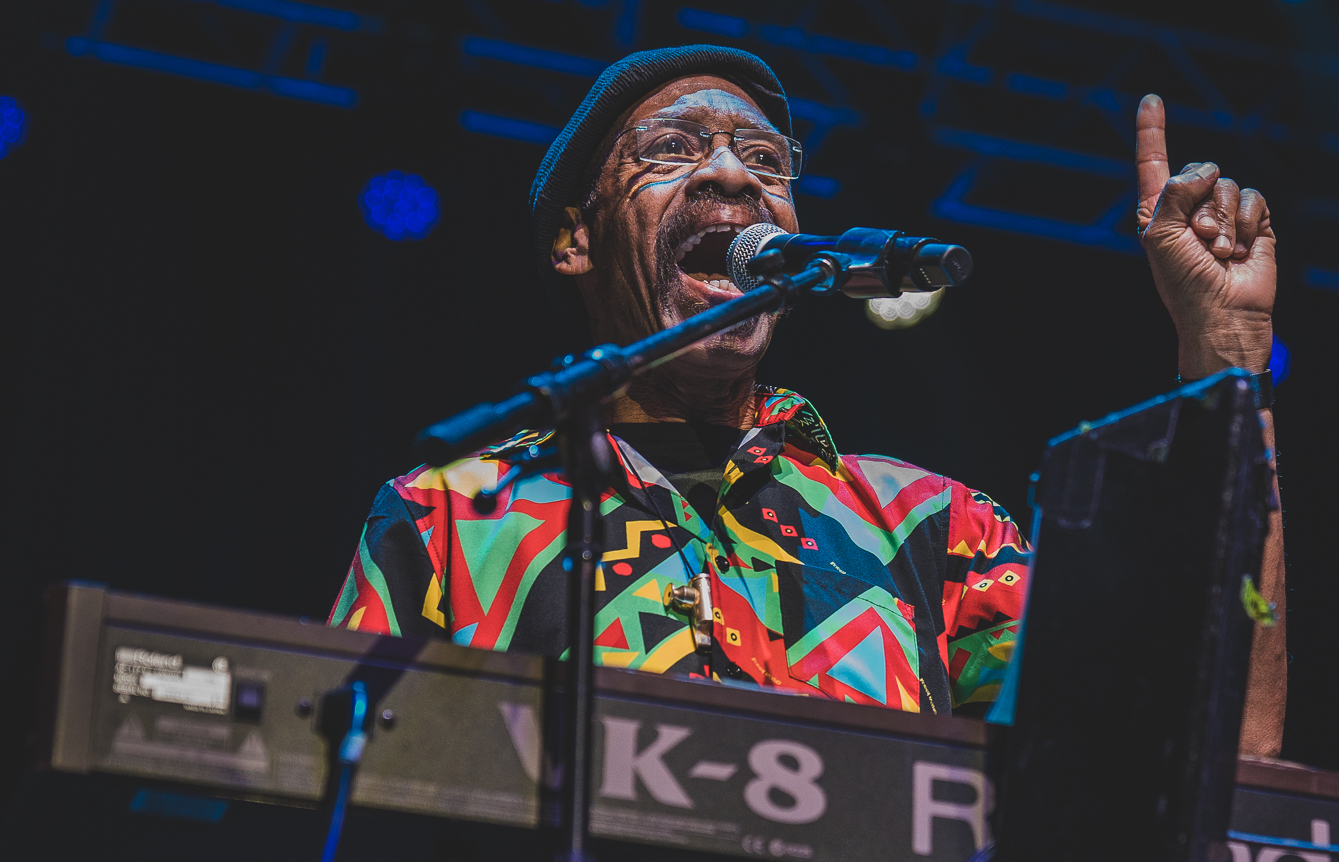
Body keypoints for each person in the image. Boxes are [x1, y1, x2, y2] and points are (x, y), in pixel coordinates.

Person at [330, 46, 1286, 749]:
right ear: (575, 240)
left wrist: (1227, 356)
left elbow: (1207, 745)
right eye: (670, 149)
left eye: (769, 159)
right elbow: (324, 812)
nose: (735, 175)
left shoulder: (928, 527)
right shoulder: (455, 515)